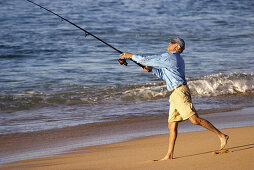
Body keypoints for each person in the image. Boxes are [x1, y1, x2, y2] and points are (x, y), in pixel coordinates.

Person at [120, 37, 229, 161]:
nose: (169, 43)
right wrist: (152, 70)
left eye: (172, 42)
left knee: (194, 120)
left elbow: (148, 59)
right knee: (172, 125)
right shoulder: (175, 59)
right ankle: (169, 155)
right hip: (174, 93)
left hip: (180, 92)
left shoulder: (171, 57)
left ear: (177, 47)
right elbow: (164, 75)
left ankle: (221, 135)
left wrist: (131, 56)